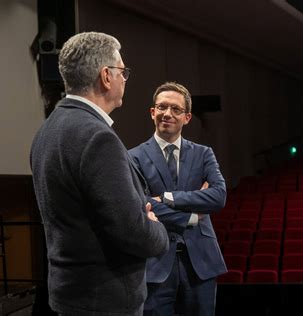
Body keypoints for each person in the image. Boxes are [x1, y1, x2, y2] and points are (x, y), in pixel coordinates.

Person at [30, 32, 169, 316]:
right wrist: (156, 227)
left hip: (70, 295)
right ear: (106, 76)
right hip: (105, 301)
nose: (125, 79)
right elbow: (132, 232)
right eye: (122, 71)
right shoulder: (97, 137)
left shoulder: (47, 130)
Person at [129, 82, 227, 316]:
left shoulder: (204, 153)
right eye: (162, 107)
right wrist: (193, 215)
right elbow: (142, 204)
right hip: (155, 261)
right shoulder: (133, 157)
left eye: (176, 109)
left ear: (187, 117)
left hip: (201, 261)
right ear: (153, 112)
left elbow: (218, 196)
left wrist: (167, 197)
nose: (168, 114)